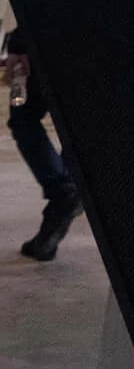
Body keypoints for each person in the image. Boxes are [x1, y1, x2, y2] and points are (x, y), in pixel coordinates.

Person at [4, 27, 80, 261]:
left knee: (23, 117)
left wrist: (18, 46)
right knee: (77, 128)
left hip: (49, 39)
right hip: (105, 50)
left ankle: (62, 189)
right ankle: (66, 200)